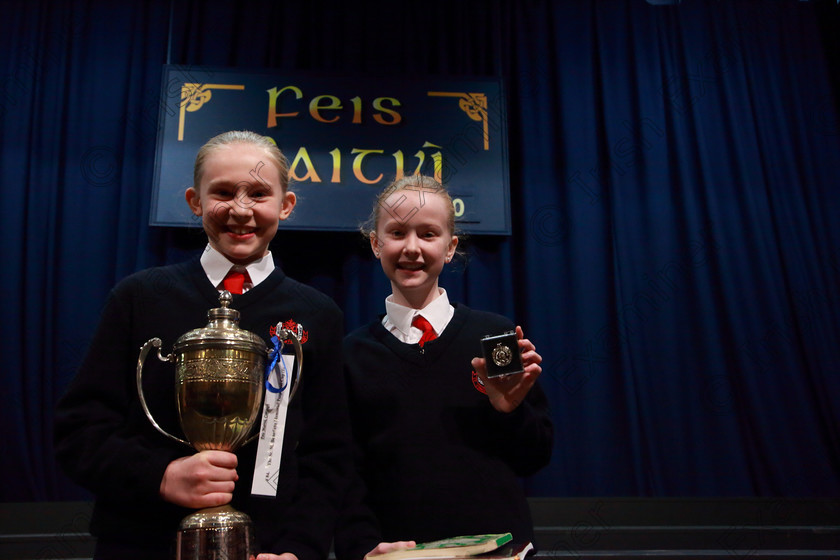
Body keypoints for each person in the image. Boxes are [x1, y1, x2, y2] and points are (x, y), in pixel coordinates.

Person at [54, 130, 352, 560]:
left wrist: (299, 549)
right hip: (141, 544)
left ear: (285, 205)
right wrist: (159, 475)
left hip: (268, 550)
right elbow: (79, 432)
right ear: (195, 201)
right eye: (224, 192)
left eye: (259, 194)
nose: (240, 209)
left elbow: (330, 452)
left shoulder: (318, 314)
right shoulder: (139, 297)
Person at [334, 175, 554, 560]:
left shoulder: (495, 336)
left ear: (450, 247)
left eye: (428, 233)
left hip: (497, 551)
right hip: (397, 553)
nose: (412, 248)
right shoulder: (353, 354)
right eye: (398, 232)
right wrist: (362, 546)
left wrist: (509, 412)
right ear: (375, 243)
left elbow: (534, 457)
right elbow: (346, 472)